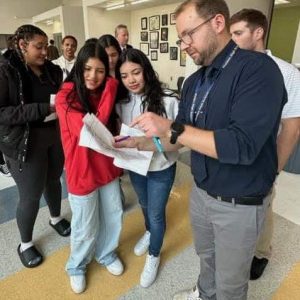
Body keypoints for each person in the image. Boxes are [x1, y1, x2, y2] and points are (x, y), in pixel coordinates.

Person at [114, 0, 286, 299]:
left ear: (218, 24)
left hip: (239, 203)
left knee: (231, 283)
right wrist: (139, 143)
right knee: (206, 260)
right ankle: (204, 294)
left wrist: (171, 127)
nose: (184, 44)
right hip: (202, 193)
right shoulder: (194, 81)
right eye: (180, 38)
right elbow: (178, 139)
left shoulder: (257, 70)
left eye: (188, 34)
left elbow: (241, 146)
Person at [230, 8, 300, 280]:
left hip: (264, 158)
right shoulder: (231, 71)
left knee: (263, 206)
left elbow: (292, 127)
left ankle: (261, 253)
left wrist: (275, 169)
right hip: (233, 154)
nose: (232, 40)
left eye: (238, 33)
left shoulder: (286, 73)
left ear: (258, 33)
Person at [55, 40, 124, 294]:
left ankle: (106, 253)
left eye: (100, 70)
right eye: (87, 69)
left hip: (106, 166)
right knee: (85, 224)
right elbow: (93, 128)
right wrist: (112, 85)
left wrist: (111, 85)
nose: (93, 76)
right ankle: (77, 265)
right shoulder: (66, 96)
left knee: (113, 214)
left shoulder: (104, 89)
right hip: (81, 170)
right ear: (79, 67)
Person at [0, 24, 70, 268]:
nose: (45, 51)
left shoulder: (52, 70)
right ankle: (26, 243)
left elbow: (60, 98)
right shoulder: (6, 71)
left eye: (46, 45)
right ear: (22, 45)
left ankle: (55, 217)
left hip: (52, 136)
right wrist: (42, 109)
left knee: (54, 180)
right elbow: (2, 113)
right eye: (38, 47)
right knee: (30, 196)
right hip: (23, 144)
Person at [116, 48, 179, 288]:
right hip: (135, 167)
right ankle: (150, 232)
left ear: (146, 71)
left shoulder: (168, 100)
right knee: (144, 205)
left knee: (156, 212)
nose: (131, 80)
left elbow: (179, 141)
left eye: (136, 72)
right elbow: (124, 136)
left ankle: (154, 254)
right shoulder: (121, 102)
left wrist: (151, 142)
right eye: (124, 76)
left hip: (162, 167)